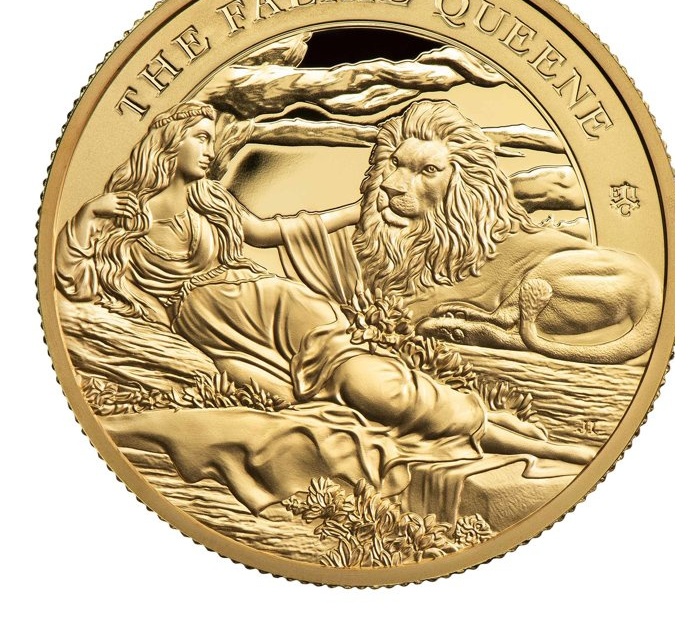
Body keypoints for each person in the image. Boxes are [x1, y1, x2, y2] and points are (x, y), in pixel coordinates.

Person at [57, 100, 592, 465]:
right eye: (200, 138)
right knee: (370, 395)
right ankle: (509, 435)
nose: (211, 150)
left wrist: (359, 210)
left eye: (212, 139)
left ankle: (525, 441)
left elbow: (273, 232)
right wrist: (86, 216)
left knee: (373, 384)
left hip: (282, 306)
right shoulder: (127, 214)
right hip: (225, 324)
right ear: (169, 145)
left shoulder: (212, 199)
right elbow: (73, 281)